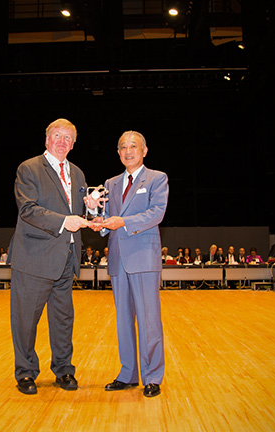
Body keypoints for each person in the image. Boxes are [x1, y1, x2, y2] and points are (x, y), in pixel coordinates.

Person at [8, 118, 94, 395]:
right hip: (34, 257)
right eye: (57, 135)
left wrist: (90, 208)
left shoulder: (78, 174)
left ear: (73, 144)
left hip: (66, 257)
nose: (62, 141)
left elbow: (81, 214)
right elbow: (28, 210)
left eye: (68, 137)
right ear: (47, 139)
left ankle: (64, 370)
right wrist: (64, 221)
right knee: (25, 319)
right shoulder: (29, 168)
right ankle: (25, 372)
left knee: (63, 319)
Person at [90, 130, 168, 398]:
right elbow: (103, 223)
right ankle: (128, 374)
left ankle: (152, 376)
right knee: (123, 320)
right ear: (118, 152)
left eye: (133, 146)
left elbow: (156, 213)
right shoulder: (110, 183)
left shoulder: (157, 178)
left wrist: (123, 222)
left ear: (144, 150)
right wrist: (93, 212)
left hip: (144, 258)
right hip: (117, 258)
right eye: (122, 147)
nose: (128, 151)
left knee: (149, 320)